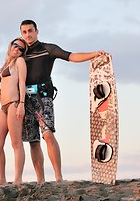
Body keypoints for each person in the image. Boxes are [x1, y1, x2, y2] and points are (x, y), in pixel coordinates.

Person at [19, 19, 109, 184]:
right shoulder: (20, 54)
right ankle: (40, 180)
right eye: (24, 32)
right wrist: (3, 92)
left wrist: (94, 54)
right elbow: (8, 74)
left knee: (47, 134)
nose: (28, 35)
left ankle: (58, 177)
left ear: (37, 31)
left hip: (43, 98)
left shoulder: (48, 49)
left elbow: (71, 56)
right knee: (33, 141)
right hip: (25, 100)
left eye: (30, 31)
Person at [0, 38, 27, 185]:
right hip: (3, 106)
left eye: (21, 49)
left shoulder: (20, 62)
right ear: (10, 46)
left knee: (16, 143)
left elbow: (22, 83)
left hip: (14, 104)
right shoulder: (6, 64)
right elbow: (5, 83)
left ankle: (17, 179)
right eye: (16, 46)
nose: (17, 50)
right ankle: (1, 178)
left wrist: (21, 104)